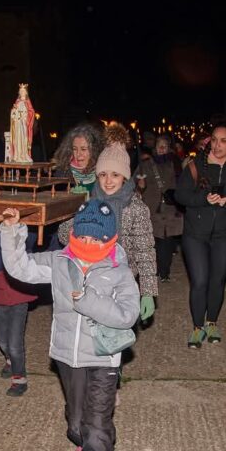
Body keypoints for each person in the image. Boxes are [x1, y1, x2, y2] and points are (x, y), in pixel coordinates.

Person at [0, 200, 140, 451]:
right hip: (67, 355)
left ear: (109, 240)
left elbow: (128, 314)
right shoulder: (60, 262)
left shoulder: (119, 270)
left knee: (98, 421)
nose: (88, 244)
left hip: (104, 358)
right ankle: (82, 444)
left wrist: (89, 303)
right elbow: (20, 268)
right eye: (83, 236)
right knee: (77, 421)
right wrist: (11, 232)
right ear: (74, 233)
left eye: (96, 239)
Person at [59, 123, 157, 321]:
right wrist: (75, 209)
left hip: (121, 278)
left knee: (113, 334)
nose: (108, 181)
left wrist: (148, 292)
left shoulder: (135, 208)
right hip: (90, 274)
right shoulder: (90, 201)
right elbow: (63, 237)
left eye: (115, 174)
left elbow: (145, 251)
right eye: (103, 174)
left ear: (125, 177)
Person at [175, 122, 226, 348]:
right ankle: (197, 328)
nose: (217, 145)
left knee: (216, 281)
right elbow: (180, 195)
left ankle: (212, 322)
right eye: (214, 139)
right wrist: (203, 199)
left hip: (225, 234)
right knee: (199, 281)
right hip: (195, 234)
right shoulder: (196, 165)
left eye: (223, 141)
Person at [0, 226, 38, 396]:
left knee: (14, 343)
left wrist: (15, 242)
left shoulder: (25, 236)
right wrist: (8, 251)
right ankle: (10, 361)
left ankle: (20, 378)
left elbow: (26, 255)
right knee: (1, 340)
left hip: (20, 296)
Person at [135, 134, 183, 282]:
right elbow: (135, 183)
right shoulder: (145, 164)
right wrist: (140, 185)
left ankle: (164, 272)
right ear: (154, 148)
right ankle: (154, 270)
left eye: (165, 146)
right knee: (154, 242)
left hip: (170, 209)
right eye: (159, 146)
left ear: (169, 148)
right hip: (152, 208)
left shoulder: (175, 164)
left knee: (168, 243)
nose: (162, 149)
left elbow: (181, 184)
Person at [52, 122, 104, 194]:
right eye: (75, 149)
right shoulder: (62, 174)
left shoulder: (103, 173)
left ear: (94, 150)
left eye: (83, 149)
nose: (78, 154)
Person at [10, 83, 35, 163]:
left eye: (23, 91)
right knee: (17, 139)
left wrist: (25, 116)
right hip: (17, 124)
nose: (22, 92)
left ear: (26, 92)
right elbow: (13, 114)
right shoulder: (17, 102)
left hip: (24, 124)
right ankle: (17, 155)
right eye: (21, 91)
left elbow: (31, 112)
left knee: (24, 139)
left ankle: (24, 155)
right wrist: (13, 112)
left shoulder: (27, 102)